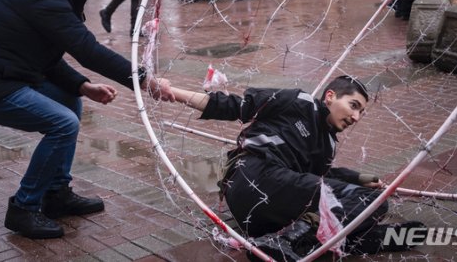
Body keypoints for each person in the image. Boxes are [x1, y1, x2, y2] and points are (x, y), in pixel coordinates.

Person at [0, 0, 175, 239]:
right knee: (62, 123)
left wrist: (82, 86)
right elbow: (87, 49)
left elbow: (46, 55)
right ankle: (24, 208)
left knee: (69, 102)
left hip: (6, 72)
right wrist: (145, 80)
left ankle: (56, 194)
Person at [170, 76, 425, 260]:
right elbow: (236, 106)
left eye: (361, 113)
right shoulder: (298, 101)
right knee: (375, 202)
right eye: (354, 106)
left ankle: (366, 239)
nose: (355, 117)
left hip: (261, 219)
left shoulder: (328, 146)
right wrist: (172, 92)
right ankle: (292, 239)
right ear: (330, 96)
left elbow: (313, 181)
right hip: (254, 175)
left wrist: (357, 177)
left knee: (361, 206)